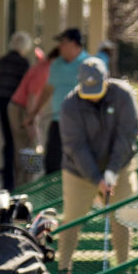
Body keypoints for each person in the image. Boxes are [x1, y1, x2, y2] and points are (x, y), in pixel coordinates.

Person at [55, 57, 138, 274]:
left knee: (121, 217)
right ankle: (63, 272)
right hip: (78, 171)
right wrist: (97, 178)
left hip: (120, 165)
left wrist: (111, 172)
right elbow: (76, 147)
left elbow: (126, 137)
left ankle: (122, 273)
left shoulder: (123, 96)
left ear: (106, 79)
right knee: (72, 219)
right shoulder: (70, 105)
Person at [0, 32, 34, 191]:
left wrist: (1, 101)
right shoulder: (23, 63)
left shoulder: (2, 61)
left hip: (3, 103)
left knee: (9, 143)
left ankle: (8, 183)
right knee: (23, 144)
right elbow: (28, 90)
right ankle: (23, 183)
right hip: (18, 108)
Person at [43, 29, 88, 176]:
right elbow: (48, 90)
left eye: (63, 43)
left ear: (75, 44)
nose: (59, 47)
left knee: (78, 166)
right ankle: (53, 198)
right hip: (58, 122)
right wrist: (33, 114)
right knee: (51, 164)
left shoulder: (89, 64)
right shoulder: (55, 65)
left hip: (80, 123)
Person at [7, 45, 51, 185]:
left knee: (27, 150)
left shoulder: (43, 68)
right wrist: (32, 121)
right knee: (29, 149)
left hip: (22, 108)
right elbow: (32, 97)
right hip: (22, 110)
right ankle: (26, 187)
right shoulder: (44, 71)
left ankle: (26, 185)